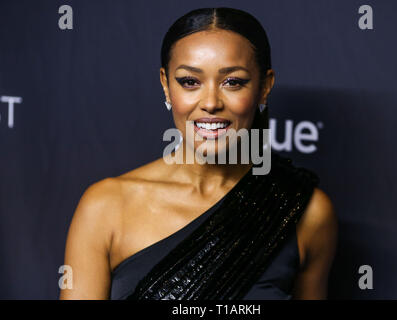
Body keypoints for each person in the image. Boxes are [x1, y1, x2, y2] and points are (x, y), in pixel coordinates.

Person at [59, 7, 337, 300]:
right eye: (190, 81)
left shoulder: (305, 211)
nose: (210, 102)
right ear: (166, 85)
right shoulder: (106, 207)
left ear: (265, 87)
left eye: (233, 82)